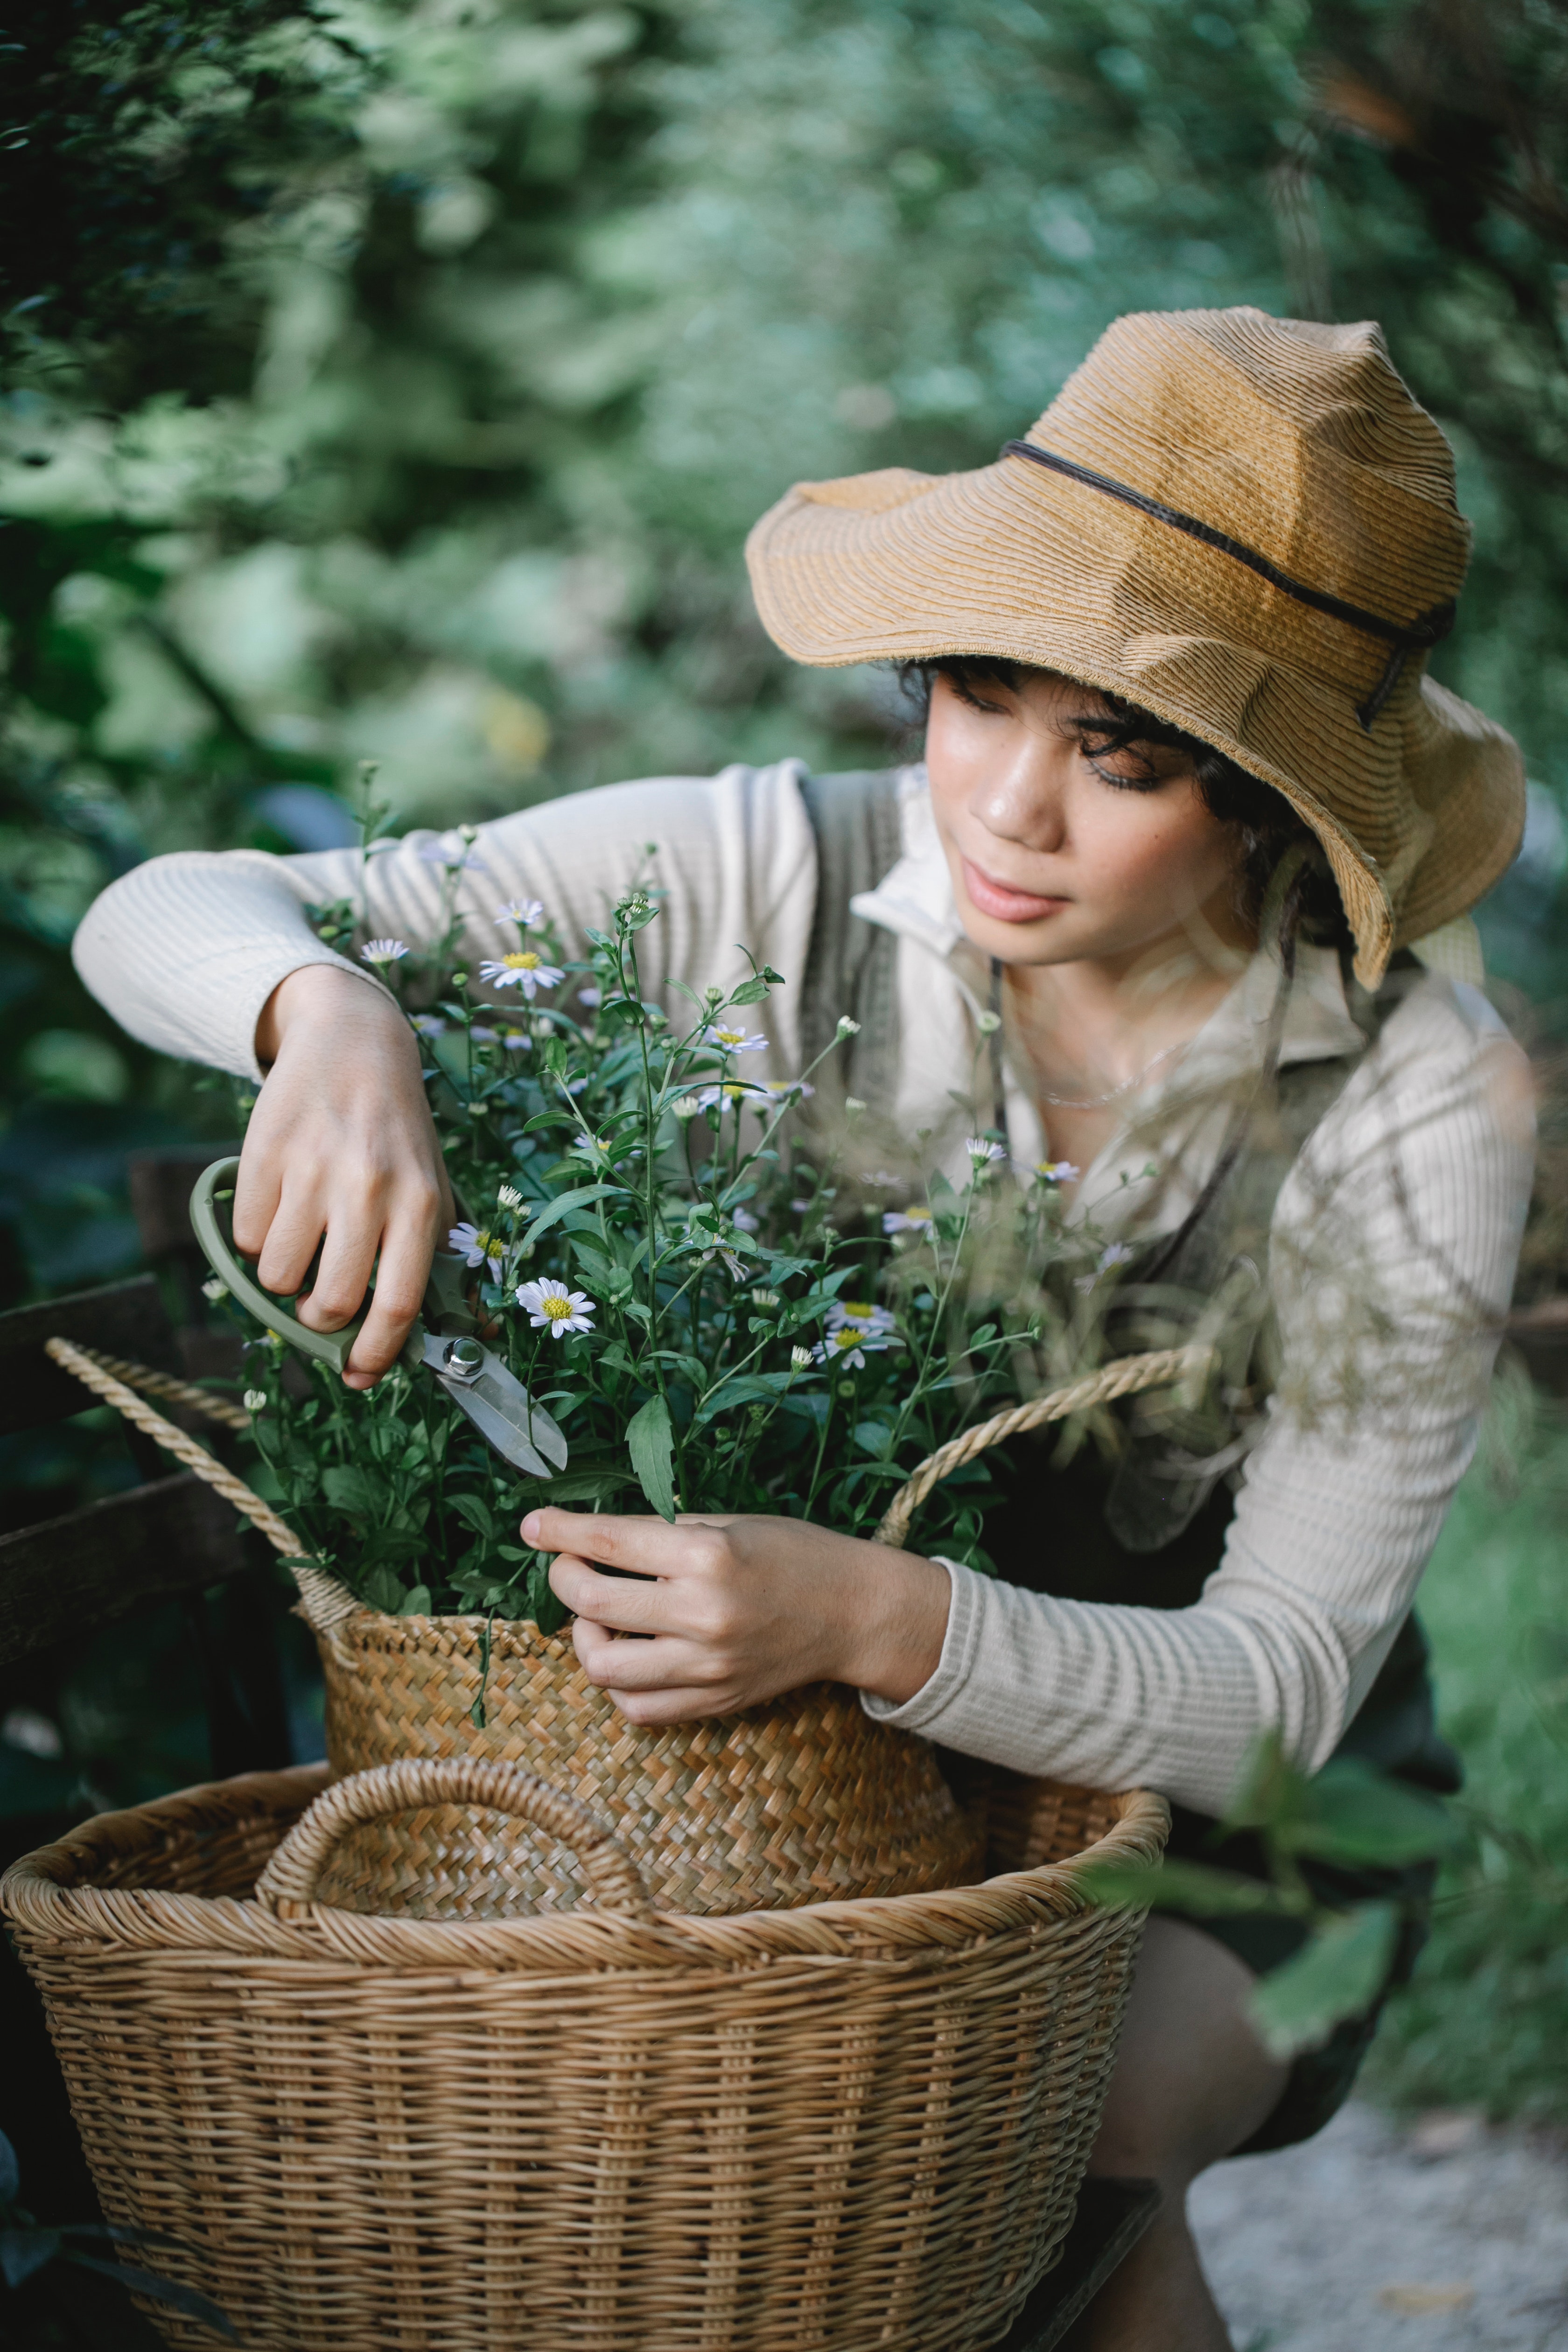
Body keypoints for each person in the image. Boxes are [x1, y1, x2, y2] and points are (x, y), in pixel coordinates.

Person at [74, 308, 1533, 2349]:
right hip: (784, 1819)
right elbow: (164, 905)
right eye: (975, 695)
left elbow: (1275, 1697)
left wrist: (874, 1621)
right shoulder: (769, 866)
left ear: (1279, 802)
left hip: (1219, 1848)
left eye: (1125, 755)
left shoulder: (1416, 1097)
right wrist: (324, 1009)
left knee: (1042, 2145)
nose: (1007, 809)